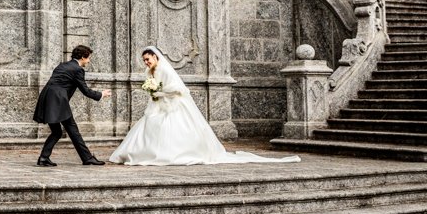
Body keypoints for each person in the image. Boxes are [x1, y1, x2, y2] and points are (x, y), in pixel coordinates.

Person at [109, 46, 301, 165]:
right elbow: (152, 87)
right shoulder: (149, 72)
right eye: (144, 60)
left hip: (172, 105)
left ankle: (168, 154)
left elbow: (179, 90)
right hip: (158, 105)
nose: (146, 62)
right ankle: (142, 152)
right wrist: (152, 91)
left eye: (148, 59)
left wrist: (160, 91)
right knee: (148, 126)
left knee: (169, 129)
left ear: (156, 57)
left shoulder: (164, 70)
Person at [34, 45, 112, 167]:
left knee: (57, 132)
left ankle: (44, 158)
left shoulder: (63, 65)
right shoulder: (78, 69)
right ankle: (87, 158)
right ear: (82, 57)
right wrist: (101, 94)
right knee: (73, 130)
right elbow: (85, 90)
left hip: (47, 98)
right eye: (88, 58)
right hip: (58, 102)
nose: (89, 61)